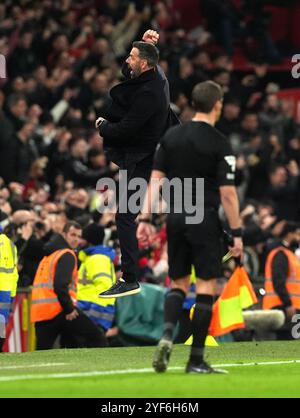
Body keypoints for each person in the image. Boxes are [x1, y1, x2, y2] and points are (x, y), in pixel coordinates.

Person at [137, 81, 243, 374]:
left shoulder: (171, 136)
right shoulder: (220, 142)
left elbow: (155, 180)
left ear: (194, 104)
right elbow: (228, 194)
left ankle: (168, 334)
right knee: (206, 285)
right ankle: (196, 359)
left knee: (178, 283)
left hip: (175, 216)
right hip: (203, 217)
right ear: (217, 105)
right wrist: (237, 234)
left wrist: (144, 219)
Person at [96, 30, 179, 298]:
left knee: (124, 216)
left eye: (132, 57)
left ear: (144, 63)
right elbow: (128, 72)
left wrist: (103, 126)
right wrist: (146, 42)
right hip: (162, 149)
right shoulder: (157, 75)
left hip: (144, 158)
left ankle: (129, 277)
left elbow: (126, 130)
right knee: (184, 199)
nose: (127, 61)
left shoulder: (148, 94)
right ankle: (222, 239)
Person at [30, 221, 107, 350]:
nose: (76, 239)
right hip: (60, 310)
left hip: (42, 313)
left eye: (78, 236)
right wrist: (69, 309)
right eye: (73, 235)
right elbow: (60, 286)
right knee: (97, 338)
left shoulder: (49, 254)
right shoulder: (67, 254)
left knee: (44, 352)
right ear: (64, 234)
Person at [77, 223, 117, 333]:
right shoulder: (91, 258)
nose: (78, 241)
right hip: (89, 311)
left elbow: (105, 288)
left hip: (93, 314)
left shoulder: (98, 259)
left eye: (81, 238)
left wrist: (93, 316)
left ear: (89, 240)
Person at [263, 222, 300, 340]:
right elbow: (278, 281)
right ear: (289, 234)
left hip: (289, 306)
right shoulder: (281, 254)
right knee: (286, 341)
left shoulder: (290, 254)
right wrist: (288, 303)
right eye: (297, 234)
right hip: (282, 307)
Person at [0, 225, 18, 352]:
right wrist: (12, 294)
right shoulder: (10, 245)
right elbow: (14, 272)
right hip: (5, 291)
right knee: (1, 322)